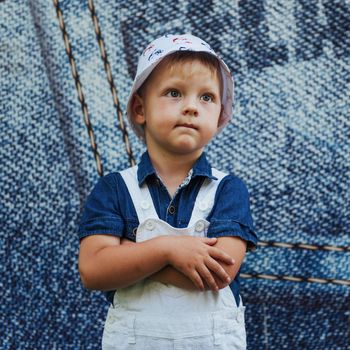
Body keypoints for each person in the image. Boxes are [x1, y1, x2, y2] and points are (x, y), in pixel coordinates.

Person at [78, 33, 257, 349]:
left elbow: (220, 270)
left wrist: (127, 256)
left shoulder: (228, 189)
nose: (191, 107)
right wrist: (167, 249)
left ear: (220, 117)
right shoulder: (114, 189)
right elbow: (93, 270)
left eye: (207, 97)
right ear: (139, 109)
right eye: (174, 92)